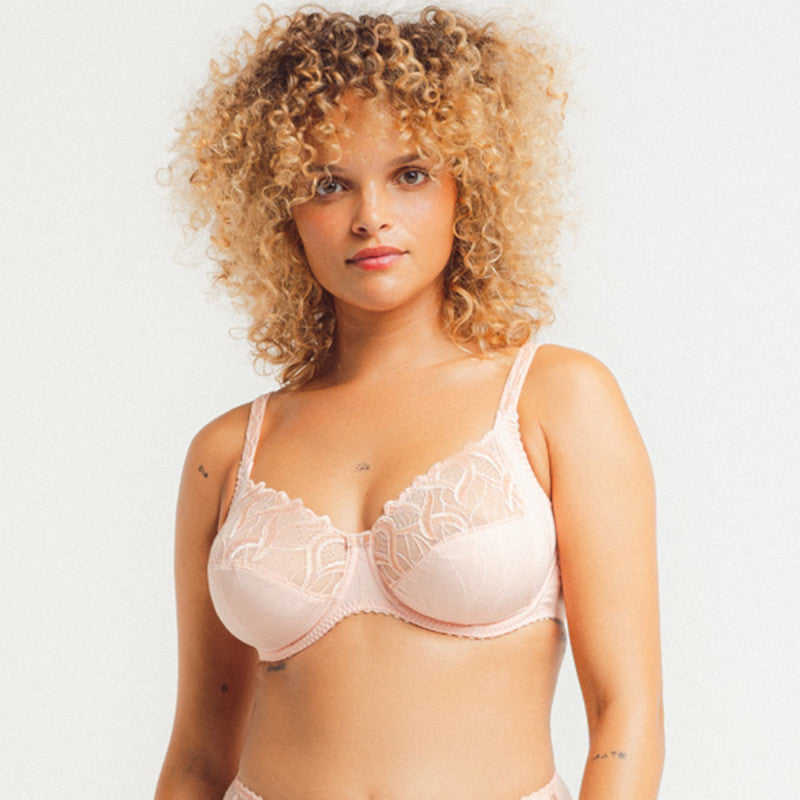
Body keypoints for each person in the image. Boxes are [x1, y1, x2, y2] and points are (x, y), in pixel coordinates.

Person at [155, 6, 663, 800]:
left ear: (470, 187)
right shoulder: (226, 453)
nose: (371, 217)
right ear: (282, 212)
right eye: (329, 185)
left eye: (411, 174)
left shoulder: (554, 399)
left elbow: (625, 715)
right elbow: (196, 757)